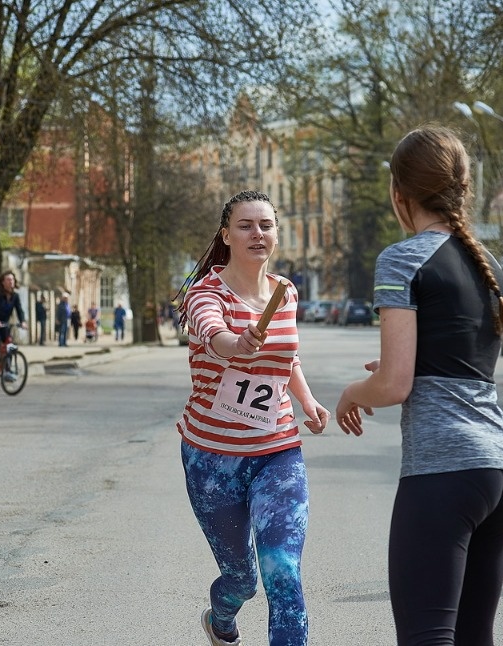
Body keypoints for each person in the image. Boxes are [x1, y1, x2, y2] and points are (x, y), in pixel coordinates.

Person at [335, 125, 503, 646]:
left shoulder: (402, 258)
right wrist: (405, 369)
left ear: (400, 193)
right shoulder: (491, 266)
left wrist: (353, 391)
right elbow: (457, 363)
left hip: (446, 469)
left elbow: (394, 385)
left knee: (427, 638)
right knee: (473, 638)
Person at [175, 190, 330, 646]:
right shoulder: (205, 293)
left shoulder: (286, 292)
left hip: (276, 451)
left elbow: (288, 359)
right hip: (212, 459)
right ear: (226, 235)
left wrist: (307, 401)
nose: (257, 234)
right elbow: (212, 332)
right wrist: (232, 343)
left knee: (283, 570)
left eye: (265, 225)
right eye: (245, 225)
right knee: (242, 578)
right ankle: (221, 617)